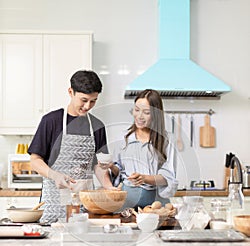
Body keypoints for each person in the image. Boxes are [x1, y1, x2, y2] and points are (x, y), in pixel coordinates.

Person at [28, 70, 114, 223]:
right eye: (84, 100)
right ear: (70, 92)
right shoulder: (51, 121)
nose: (88, 106)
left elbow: (99, 167)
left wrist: (109, 187)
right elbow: (35, 160)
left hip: (84, 205)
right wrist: (55, 175)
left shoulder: (97, 126)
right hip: (53, 204)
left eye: (93, 101)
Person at [107, 89, 178, 209]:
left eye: (146, 112)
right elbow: (118, 171)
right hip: (127, 203)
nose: (139, 116)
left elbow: (168, 176)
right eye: (136, 110)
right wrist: (110, 167)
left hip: (156, 203)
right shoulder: (123, 138)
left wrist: (145, 178)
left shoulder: (167, 140)